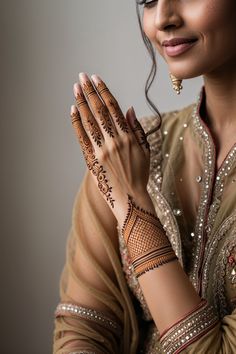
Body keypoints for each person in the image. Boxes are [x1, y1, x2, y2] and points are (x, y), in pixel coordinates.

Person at [53, 0, 236, 353]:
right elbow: (85, 325)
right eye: (148, 1)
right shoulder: (129, 155)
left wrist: (132, 205)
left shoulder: (124, 172)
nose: (163, 18)